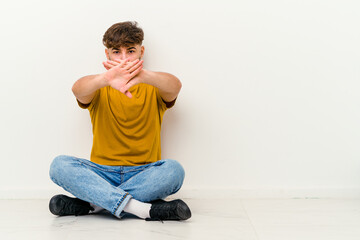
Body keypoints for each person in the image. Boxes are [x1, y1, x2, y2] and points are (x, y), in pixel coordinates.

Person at [48, 21, 191, 221]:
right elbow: (77, 89)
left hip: (143, 173)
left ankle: (94, 204)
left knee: (174, 171)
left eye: (130, 51)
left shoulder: (152, 86)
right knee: (59, 166)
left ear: (141, 51)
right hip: (101, 174)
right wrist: (105, 79)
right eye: (116, 52)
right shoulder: (99, 86)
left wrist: (142, 74)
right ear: (107, 54)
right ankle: (143, 209)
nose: (124, 59)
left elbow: (175, 86)